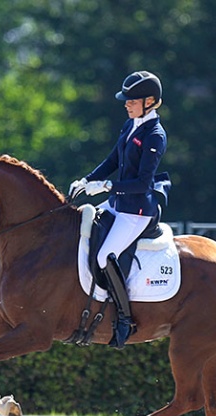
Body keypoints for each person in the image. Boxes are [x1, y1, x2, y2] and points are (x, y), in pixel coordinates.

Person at [69, 70, 170, 349]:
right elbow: (112, 159)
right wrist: (88, 179)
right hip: (117, 205)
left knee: (104, 256)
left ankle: (124, 318)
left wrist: (105, 187)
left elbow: (142, 183)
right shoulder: (130, 125)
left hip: (136, 211)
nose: (126, 104)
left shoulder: (155, 135)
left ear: (150, 101)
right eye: (126, 100)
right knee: (80, 232)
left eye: (132, 100)